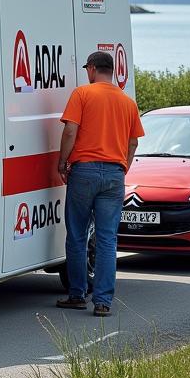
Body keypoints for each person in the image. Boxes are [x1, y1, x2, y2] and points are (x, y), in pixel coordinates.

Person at [54, 50, 144, 317]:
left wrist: (62, 162)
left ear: (92, 69)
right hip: (115, 175)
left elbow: (70, 130)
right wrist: (123, 167)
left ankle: (77, 294)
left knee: (78, 235)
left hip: (84, 173)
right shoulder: (127, 103)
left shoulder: (83, 94)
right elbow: (133, 142)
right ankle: (103, 302)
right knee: (107, 239)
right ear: (111, 70)